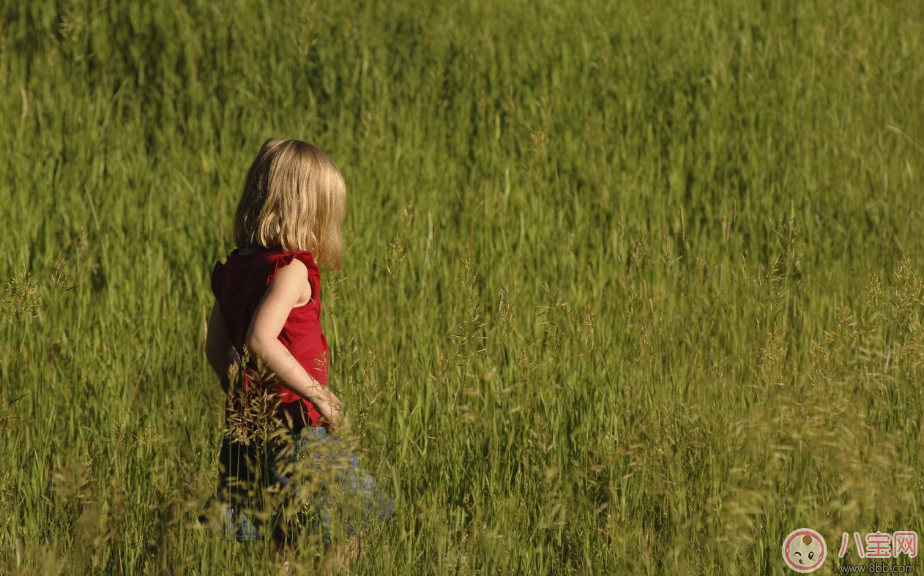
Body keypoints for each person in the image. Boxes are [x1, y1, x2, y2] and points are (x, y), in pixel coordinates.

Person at [203, 137, 395, 574]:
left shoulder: (235, 269)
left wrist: (246, 398)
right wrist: (320, 396)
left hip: (249, 430)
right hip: (299, 424)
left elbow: (216, 349)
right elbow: (260, 339)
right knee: (354, 519)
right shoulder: (290, 269)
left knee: (279, 541)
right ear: (308, 213)